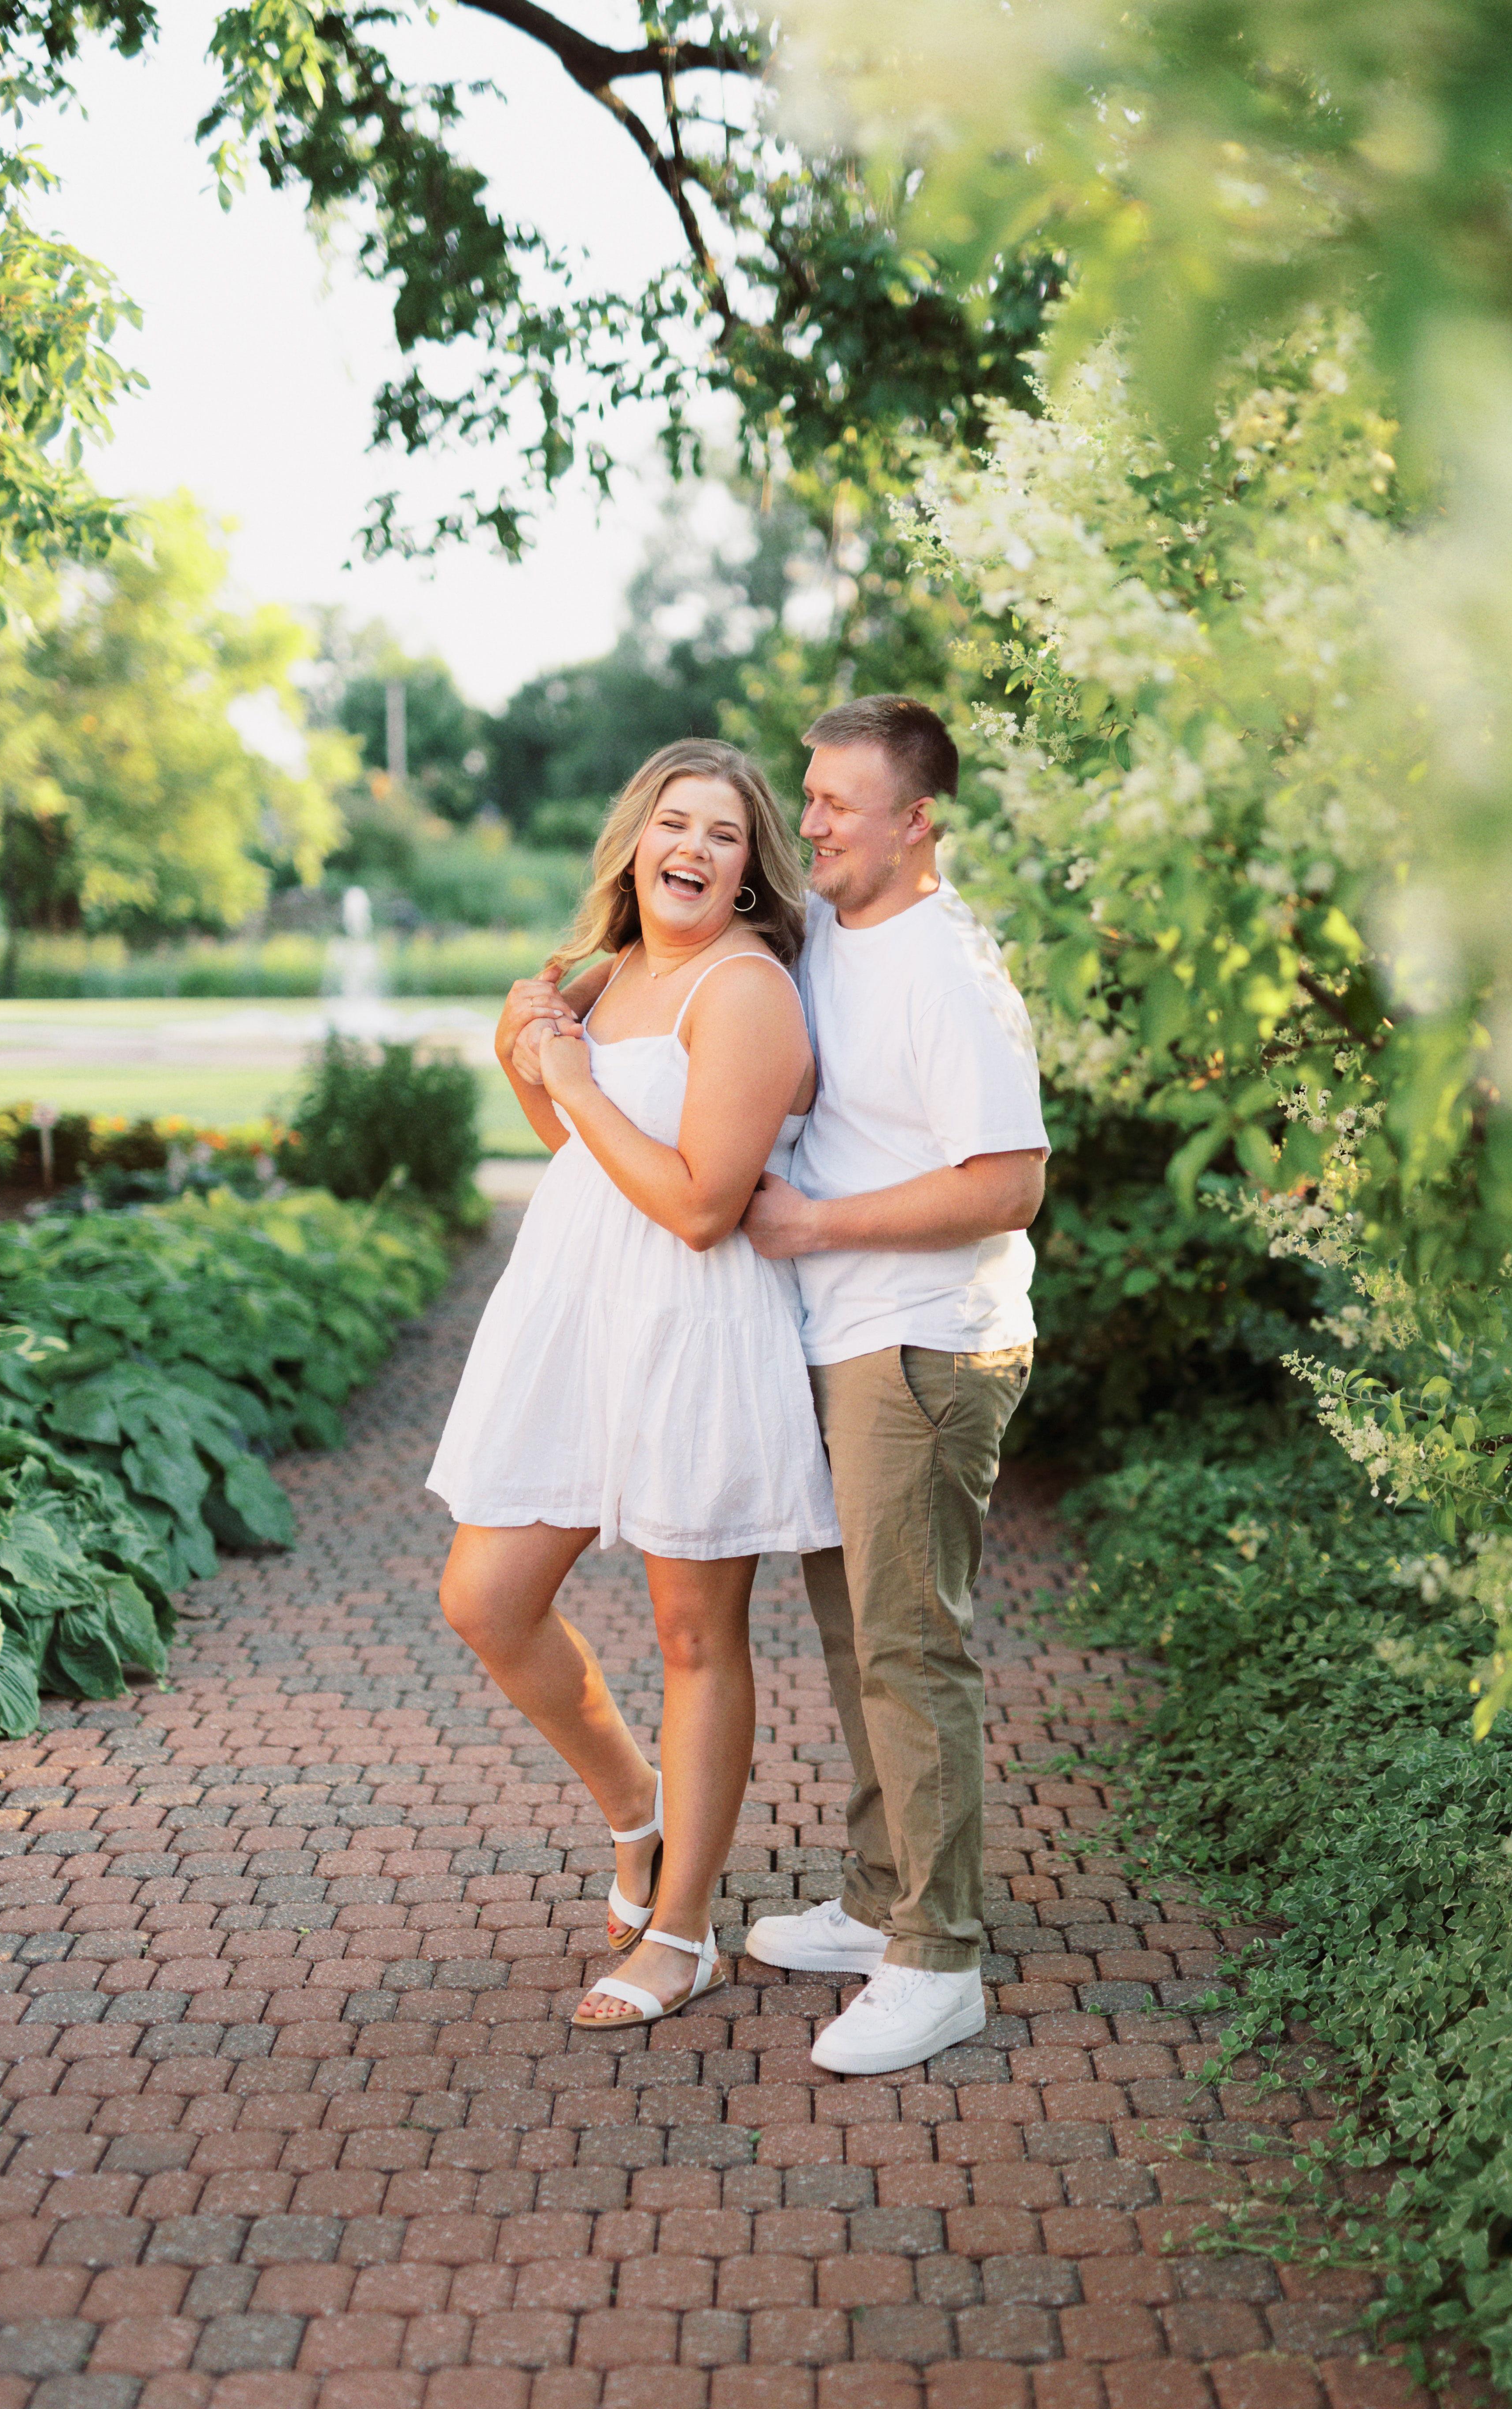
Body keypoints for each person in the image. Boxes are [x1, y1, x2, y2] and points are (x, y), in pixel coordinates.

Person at [427, 738, 837, 2031]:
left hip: (694, 1323)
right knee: (485, 1597)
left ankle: (683, 1933)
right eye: (674, 822)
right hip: (579, 1318)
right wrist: (527, 1061)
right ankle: (637, 1810)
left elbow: (703, 1206)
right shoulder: (607, 975)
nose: (694, 848)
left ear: (750, 870)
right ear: (636, 841)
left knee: (693, 1636)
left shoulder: (746, 990)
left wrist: (570, 1076)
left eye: (724, 832)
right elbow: (576, 1150)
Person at [739, 696, 1050, 2077]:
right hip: (843, 1335)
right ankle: (881, 1902)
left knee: (912, 1651)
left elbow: (1008, 1183)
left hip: (924, 1343)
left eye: (836, 804)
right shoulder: (829, 934)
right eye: (806, 794)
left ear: (917, 822)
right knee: (860, 1641)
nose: (807, 821)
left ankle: (939, 1960)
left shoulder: (949, 969)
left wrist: (815, 1224)